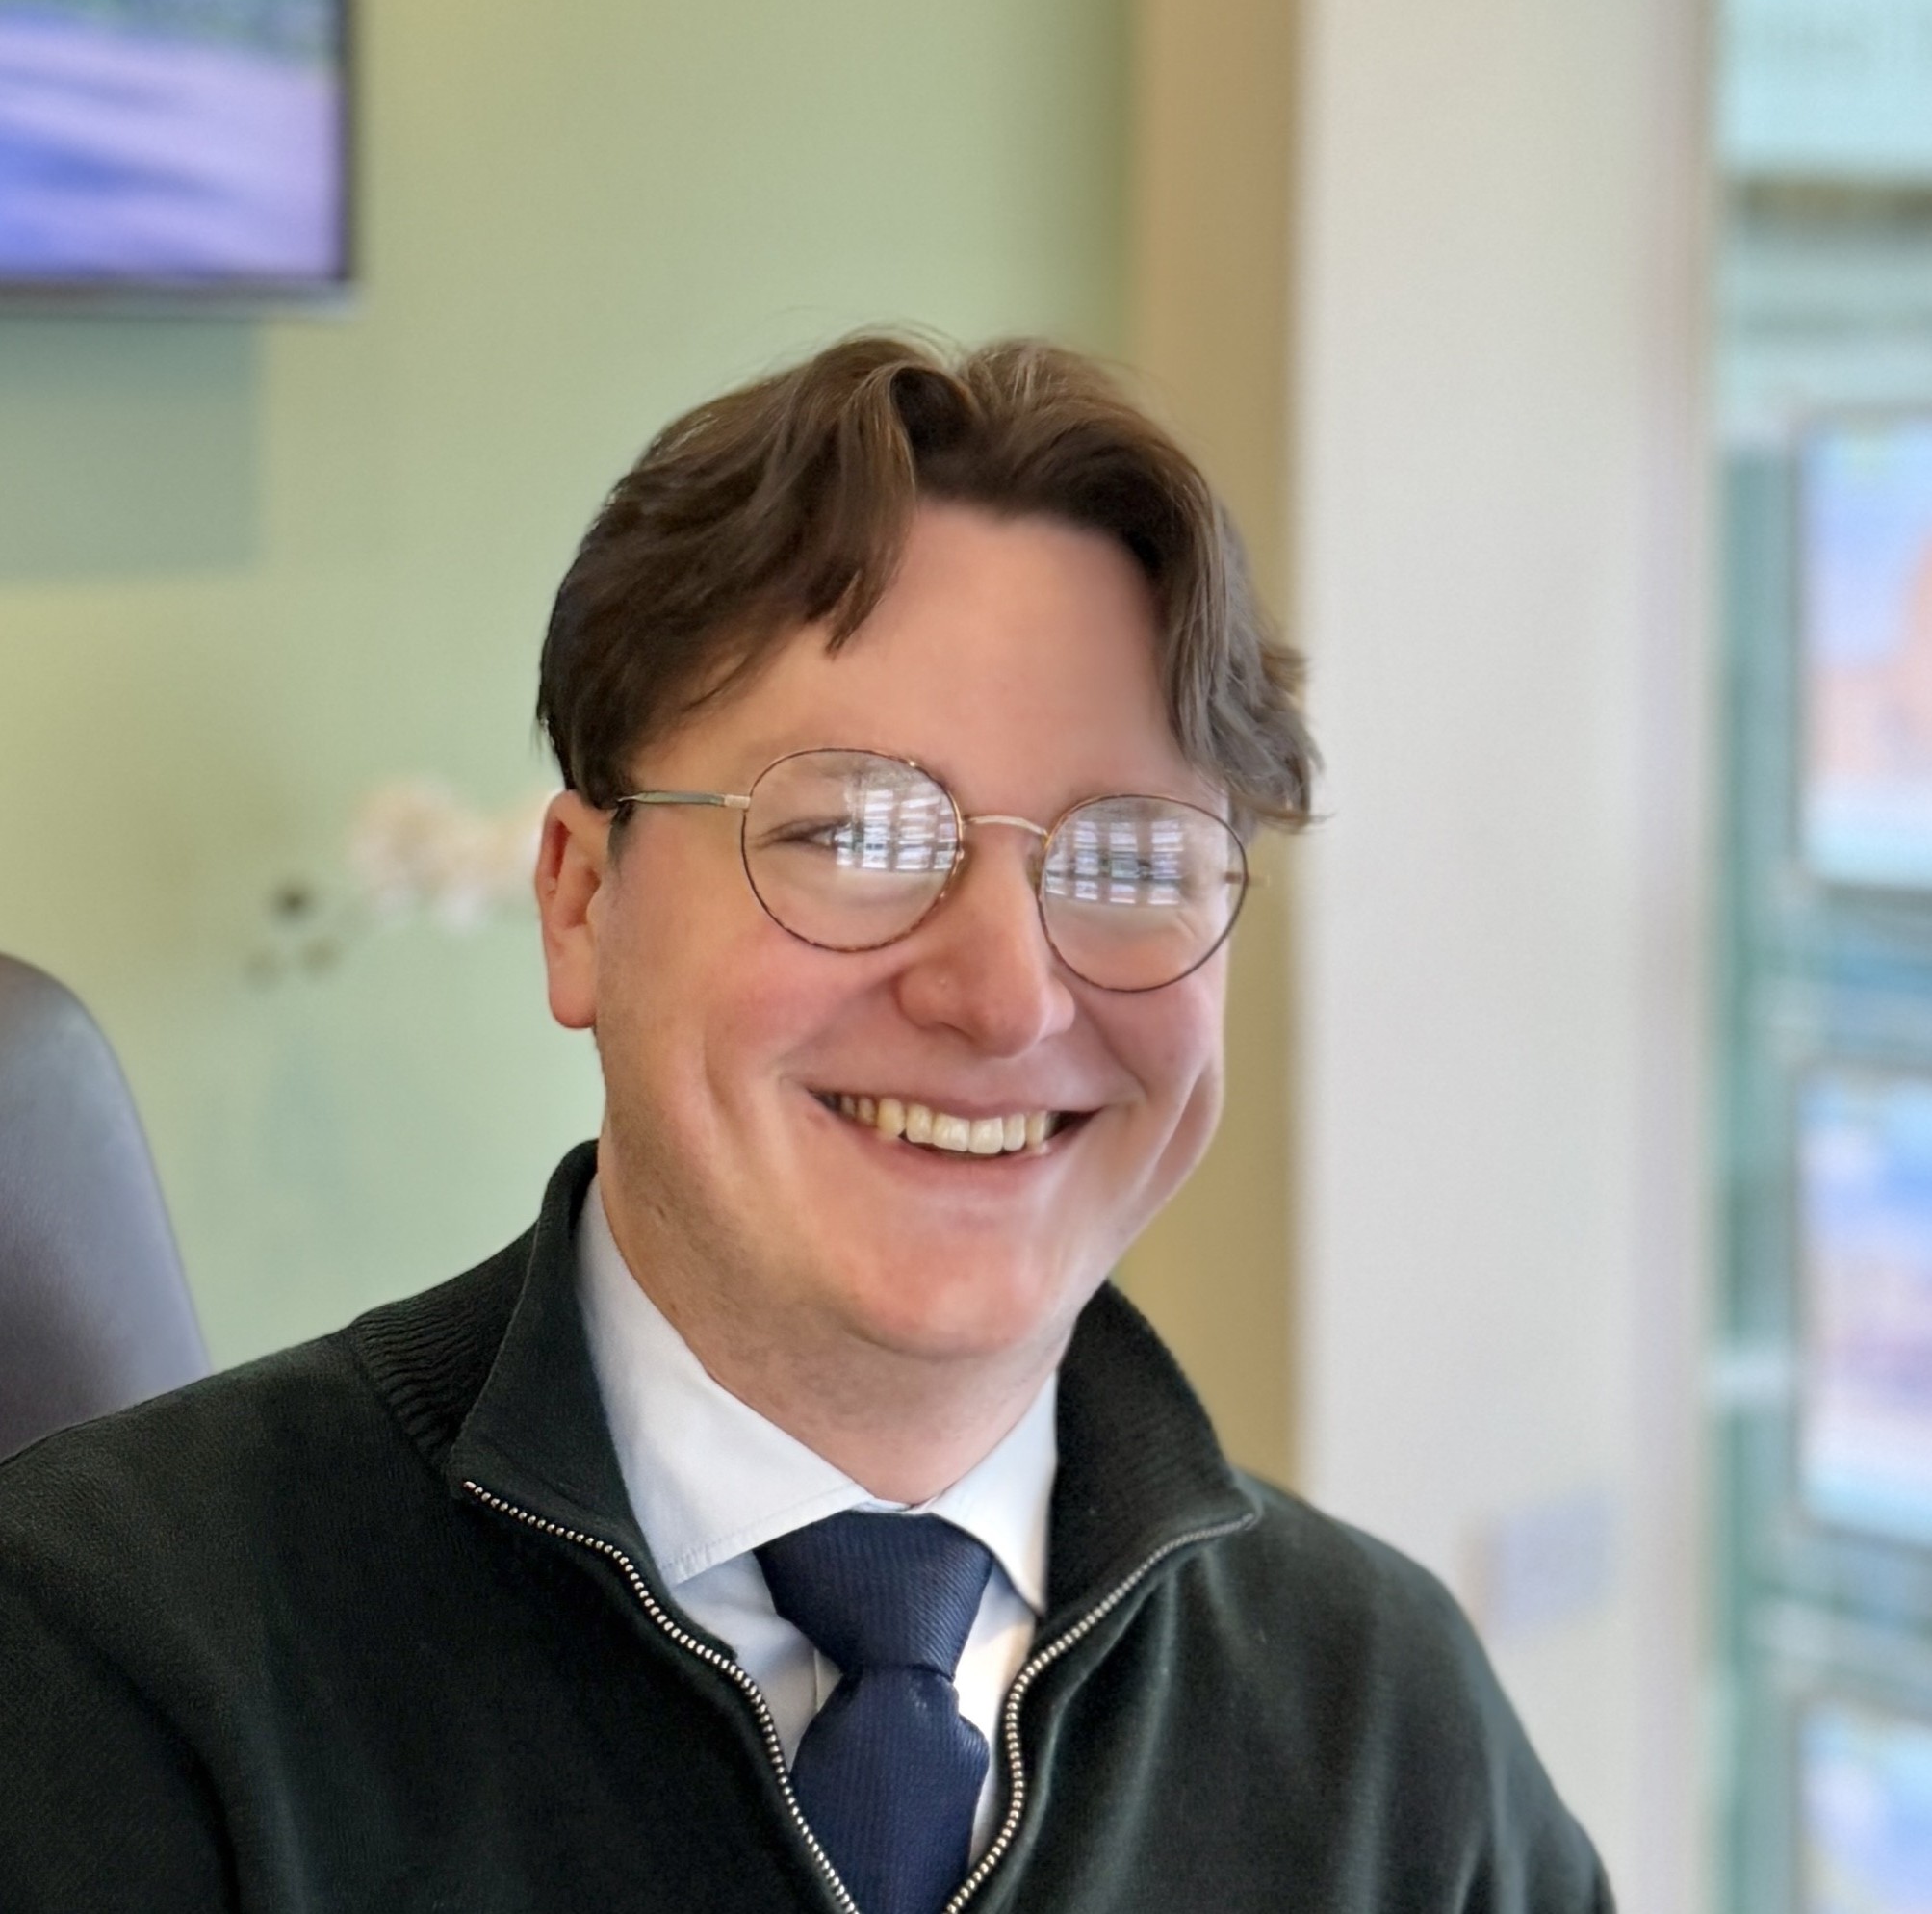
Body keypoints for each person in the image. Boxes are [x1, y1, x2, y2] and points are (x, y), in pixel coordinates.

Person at [0, 334, 1612, 1912]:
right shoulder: (114, 1654)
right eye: (857, 834)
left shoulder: (1387, 1733)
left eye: (1129, 860)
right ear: (580, 904)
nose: (1006, 997)